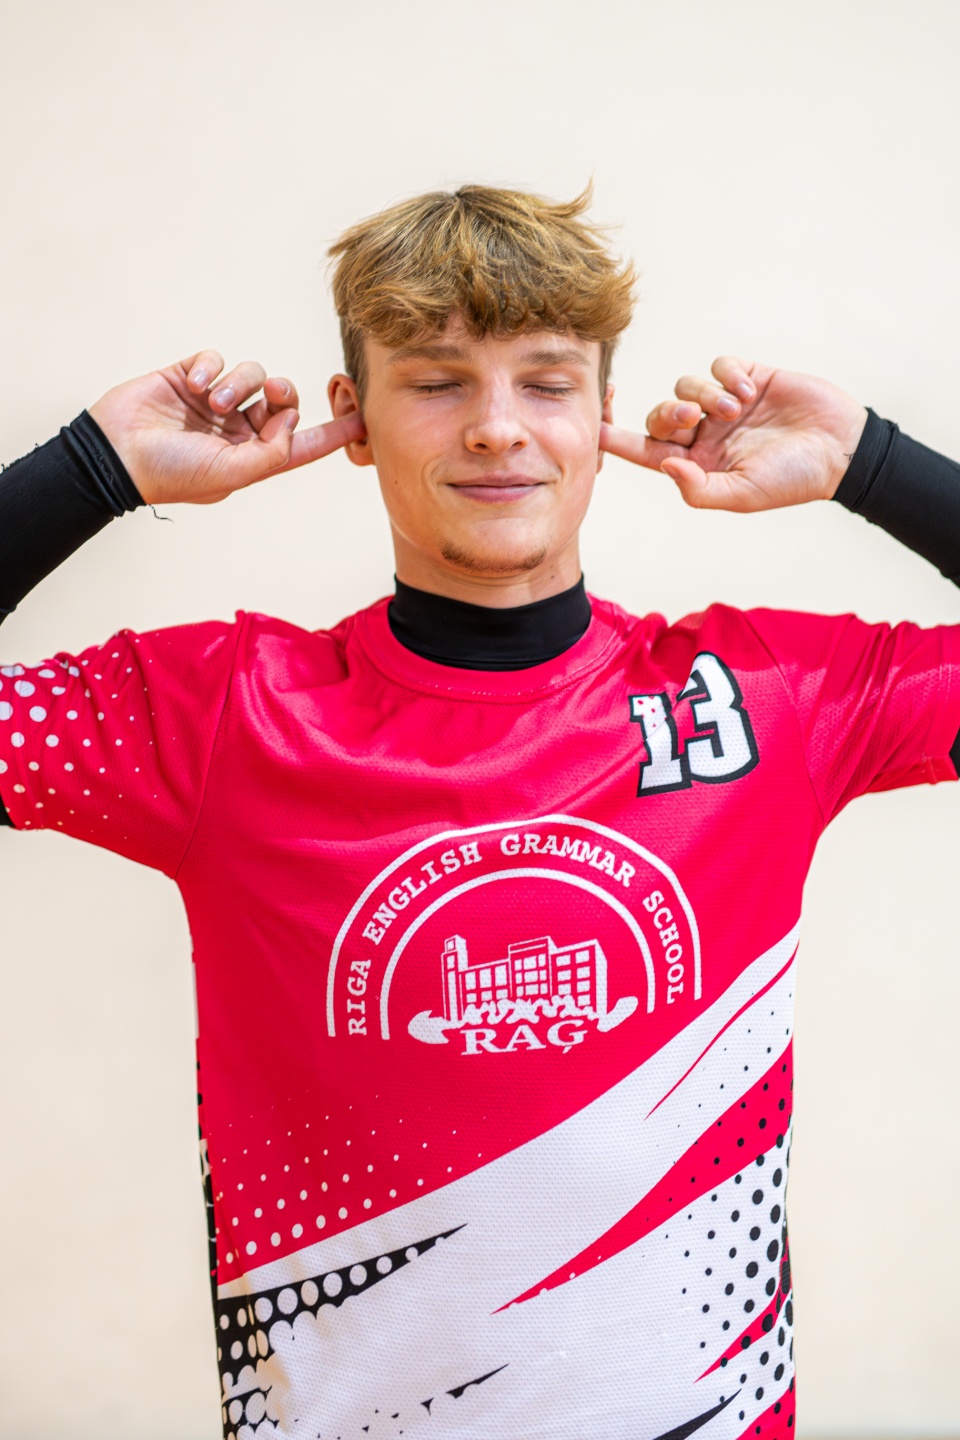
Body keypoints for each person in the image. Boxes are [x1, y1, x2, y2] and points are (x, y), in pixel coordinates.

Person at [2, 185, 959, 1440]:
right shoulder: (226, 714)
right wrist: (93, 468)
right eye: (437, 382)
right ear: (353, 416)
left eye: (547, 382)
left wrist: (871, 463)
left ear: (604, 415)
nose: (498, 428)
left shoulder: (766, 697)